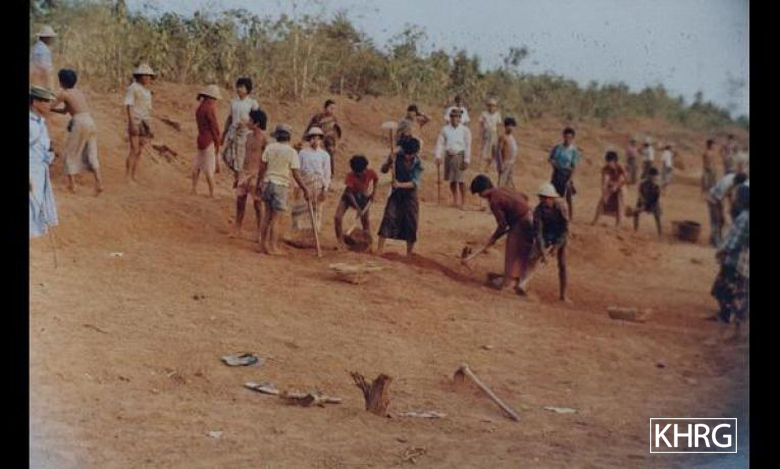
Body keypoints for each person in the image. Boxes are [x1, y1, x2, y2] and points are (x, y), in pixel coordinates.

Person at [470, 174, 534, 292]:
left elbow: (502, 225)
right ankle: (513, 278)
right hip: (529, 216)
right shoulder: (502, 189)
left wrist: (493, 238)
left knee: (512, 250)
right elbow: (524, 196)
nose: (480, 196)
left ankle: (508, 282)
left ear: (483, 191)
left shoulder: (494, 201)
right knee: (520, 251)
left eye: (479, 193)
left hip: (522, 221)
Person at [256, 124, 310, 255]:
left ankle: (262, 245)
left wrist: (259, 182)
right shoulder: (292, 152)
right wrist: (305, 188)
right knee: (276, 218)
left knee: (267, 215)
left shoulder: (269, 148)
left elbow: (262, 168)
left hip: (268, 182)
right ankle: (273, 247)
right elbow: (296, 174)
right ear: (288, 137)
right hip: (281, 185)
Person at [50, 69, 103, 195]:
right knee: (92, 153)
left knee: (70, 152)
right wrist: (54, 110)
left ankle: (72, 185)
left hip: (79, 122)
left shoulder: (64, 93)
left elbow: (50, 105)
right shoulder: (78, 92)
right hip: (90, 121)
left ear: (61, 82)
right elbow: (65, 111)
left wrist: (49, 105)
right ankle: (99, 182)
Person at [516, 183, 570, 302]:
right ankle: (522, 283)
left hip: (561, 235)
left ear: (551, 198)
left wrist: (556, 247)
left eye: (545, 198)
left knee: (562, 264)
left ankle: (563, 295)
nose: (543, 201)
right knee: (532, 258)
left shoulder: (562, 206)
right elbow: (538, 233)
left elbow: (565, 229)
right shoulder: (538, 211)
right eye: (541, 198)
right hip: (546, 234)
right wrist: (543, 252)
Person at [711, 183, 749, 338]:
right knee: (733, 293)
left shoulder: (744, 217)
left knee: (726, 292)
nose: (733, 198)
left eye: (736, 196)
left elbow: (734, 241)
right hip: (743, 263)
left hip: (736, 261)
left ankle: (729, 324)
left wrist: (722, 251)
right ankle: (730, 321)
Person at [377, 137, 424, 256]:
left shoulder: (418, 163)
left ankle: (409, 252)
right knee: (388, 217)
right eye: (406, 153)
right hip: (396, 194)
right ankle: (379, 250)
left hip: (410, 195)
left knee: (411, 221)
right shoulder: (396, 156)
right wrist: (388, 162)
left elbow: (415, 183)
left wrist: (399, 184)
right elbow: (383, 170)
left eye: (410, 154)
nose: (408, 156)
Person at [290, 127, 332, 242]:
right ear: (309, 139)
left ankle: (313, 237)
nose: (315, 141)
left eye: (318, 138)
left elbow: (327, 173)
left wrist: (325, 189)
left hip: (318, 184)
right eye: (313, 138)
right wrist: (297, 186)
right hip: (305, 182)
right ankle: (297, 236)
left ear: (321, 140)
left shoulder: (325, 155)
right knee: (299, 210)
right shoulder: (303, 153)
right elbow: (298, 170)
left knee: (316, 210)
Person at [232, 109, 268, 240]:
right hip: (245, 172)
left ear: (257, 123)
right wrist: (239, 174)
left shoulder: (264, 139)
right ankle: (237, 228)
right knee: (240, 200)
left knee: (257, 204)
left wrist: (261, 178)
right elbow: (244, 155)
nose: (248, 122)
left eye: (250, 120)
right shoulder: (248, 136)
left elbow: (265, 160)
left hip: (256, 173)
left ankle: (260, 232)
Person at [30, 85, 59, 239]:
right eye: (46, 101)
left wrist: (51, 153)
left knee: (37, 212)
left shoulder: (40, 122)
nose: (49, 105)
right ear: (35, 102)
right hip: (31, 174)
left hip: (40, 173)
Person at [334, 155, 379, 251]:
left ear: (365, 168)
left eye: (360, 172)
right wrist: (358, 208)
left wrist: (374, 193)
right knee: (337, 217)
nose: (358, 175)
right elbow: (349, 193)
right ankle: (340, 242)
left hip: (363, 197)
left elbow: (376, 179)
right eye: (356, 173)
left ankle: (368, 244)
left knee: (365, 221)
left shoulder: (370, 172)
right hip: (348, 197)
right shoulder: (350, 176)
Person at [221, 77, 259, 186]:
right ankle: (238, 176)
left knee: (240, 157)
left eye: (241, 87)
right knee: (227, 156)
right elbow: (229, 118)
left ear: (247, 89)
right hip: (233, 132)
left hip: (245, 133)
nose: (239, 89)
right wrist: (224, 133)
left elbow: (258, 119)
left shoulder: (252, 103)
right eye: (238, 87)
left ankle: (240, 179)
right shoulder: (234, 102)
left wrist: (248, 126)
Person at [434, 108, 472, 208]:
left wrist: (466, 160)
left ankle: (463, 201)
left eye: (457, 116)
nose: (455, 118)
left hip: (459, 155)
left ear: (460, 118)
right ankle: (455, 200)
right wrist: (438, 156)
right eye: (453, 116)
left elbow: (468, 146)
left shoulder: (465, 130)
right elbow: (440, 143)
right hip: (448, 156)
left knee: (461, 180)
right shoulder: (445, 129)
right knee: (452, 179)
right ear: (450, 118)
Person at [124, 63, 155, 182]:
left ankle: (133, 175)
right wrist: (131, 122)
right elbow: (129, 106)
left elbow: (148, 110)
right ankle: (128, 177)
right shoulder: (133, 88)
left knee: (139, 151)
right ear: (139, 76)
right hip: (136, 120)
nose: (147, 78)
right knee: (134, 149)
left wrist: (150, 125)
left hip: (144, 121)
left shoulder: (147, 91)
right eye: (145, 75)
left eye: (149, 76)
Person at [192, 84, 222, 198]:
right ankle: (212, 193)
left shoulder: (200, 108)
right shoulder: (209, 109)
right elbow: (214, 127)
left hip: (201, 138)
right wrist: (217, 142)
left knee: (197, 165)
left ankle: (193, 188)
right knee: (209, 168)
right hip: (209, 140)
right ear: (211, 98)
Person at [706, 172, 748, 247]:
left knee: (721, 221)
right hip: (713, 200)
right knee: (717, 220)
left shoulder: (733, 178)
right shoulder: (726, 183)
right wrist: (723, 212)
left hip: (718, 199)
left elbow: (729, 194)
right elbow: (719, 199)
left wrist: (732, 206)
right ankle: (715, 241)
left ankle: (714, 238)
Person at [548, 127, 581, 220]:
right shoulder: (557, 148)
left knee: (567, 197)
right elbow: (550, 159)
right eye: (566, 137)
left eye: (569, 138)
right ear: (563, 136)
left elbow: (574, 167)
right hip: (557, 172)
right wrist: (554, 164)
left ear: (572, 138)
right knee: (553, 194)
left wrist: (570, 179)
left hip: (566, 174)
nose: (567, 139)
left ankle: (570, 216)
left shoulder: (574, 151)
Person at [305, 99, 342, 175]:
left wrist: (336, 144)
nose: (332, 110)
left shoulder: (334, 119)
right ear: (325, 108)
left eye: (334, 109)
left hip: (329, 142)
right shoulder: (317, 117)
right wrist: (306, 138)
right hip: (318, 139)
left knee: (329, 156)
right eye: (331, 108)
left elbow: (336, 132)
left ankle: (330, 174)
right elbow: (310, 128)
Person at [592, 151, 626, 227]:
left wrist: (616, 186)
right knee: (602, 202)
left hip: (620, 186)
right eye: (608, 161)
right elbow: (605, 181)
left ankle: (618, 223)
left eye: (610, 161)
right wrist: (604, 192)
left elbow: (624, 179)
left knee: (619, 203)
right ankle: (595, 220)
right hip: (610, 186)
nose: (609, 163)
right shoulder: (605, 168)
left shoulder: (620, 167)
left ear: (614, 161)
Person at [633, 167, 663, 237]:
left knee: (657, 216)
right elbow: (640, 193)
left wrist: (647, 206)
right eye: (653, 176)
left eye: (655, 176)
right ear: (649, 176)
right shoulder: (643, 184)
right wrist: (642, 203)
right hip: (642, 201)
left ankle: (660, 233)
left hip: (653, 203)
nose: (654, 178)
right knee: (635, 213)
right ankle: (635, 230)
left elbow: (655, 199)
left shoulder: (657, 187)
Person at [478, 98, 502, 172]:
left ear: (496, 107)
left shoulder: (497, 115)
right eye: (490, 105)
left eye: (493, 106)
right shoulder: (484, 114)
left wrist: (499, 136)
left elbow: (498, 126)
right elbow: (481, 124)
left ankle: (487, 166)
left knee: (494, 151)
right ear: (487, 106)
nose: (491, 107)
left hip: (494, 133)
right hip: (486, 133)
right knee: (485, 150)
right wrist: (481, 134)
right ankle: (481, 166)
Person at [496, 117, 519, 189]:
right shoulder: (503, 137)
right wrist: (500, 164)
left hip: (511, 162)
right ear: (506, 126)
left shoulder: (512, 137)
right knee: (502, 181)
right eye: (509, 125)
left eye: (512, 126)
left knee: (509, 182)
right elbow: (498, 151)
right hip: (505, 162)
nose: (511, 128)